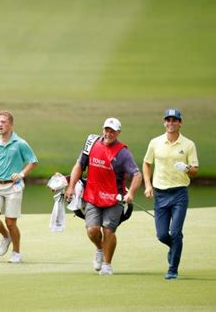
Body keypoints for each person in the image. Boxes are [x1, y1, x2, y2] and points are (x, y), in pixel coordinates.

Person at [65, 118, 142, 276]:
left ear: (118, 133)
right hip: (92, 196)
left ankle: (107, 264)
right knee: (93, 230)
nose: (109, 133)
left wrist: (131, 193)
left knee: (108, 230)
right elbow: (79, 165)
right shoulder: (92, 143)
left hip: (114, 199)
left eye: (112, 131)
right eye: (107, 130)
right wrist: (71, 186)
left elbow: (137, 174)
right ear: (103, 130)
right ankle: (100, 248)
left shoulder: (123, 153)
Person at [143, 108, 199, 280]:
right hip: (160, 193)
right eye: (168, 120)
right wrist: (148, 185)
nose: (171, 123)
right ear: (164, 122)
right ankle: (174, 248)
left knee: (175, 233)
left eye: (175, 120)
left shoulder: (188, 144)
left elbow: (195, 170)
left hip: (179, 194)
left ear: (180, 123)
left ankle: (172, 269)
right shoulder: (155, 142)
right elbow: (146, 163)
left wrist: (188, 168)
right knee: (161, 235)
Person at [0, 110, 38, 263]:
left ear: (11, 125)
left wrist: (21, 174)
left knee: (10, 222)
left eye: (3, 122)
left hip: (13, 186)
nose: (0, 125)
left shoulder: (20, 143)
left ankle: (16, 253)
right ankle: (6, 236)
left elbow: (33, 161)